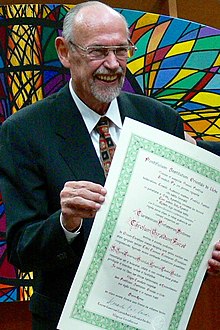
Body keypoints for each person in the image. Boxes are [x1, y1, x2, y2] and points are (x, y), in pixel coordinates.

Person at [0, 2, 219, 329]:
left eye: (121, 50)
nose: (113, 64)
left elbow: (182, 218)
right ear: (64, 51)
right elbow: (21, 248)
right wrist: (67, 222)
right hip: (68, 319)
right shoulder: (24, 132)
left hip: (155, 315)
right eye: (98, 51)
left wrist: (205, 250)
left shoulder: (161, 120)